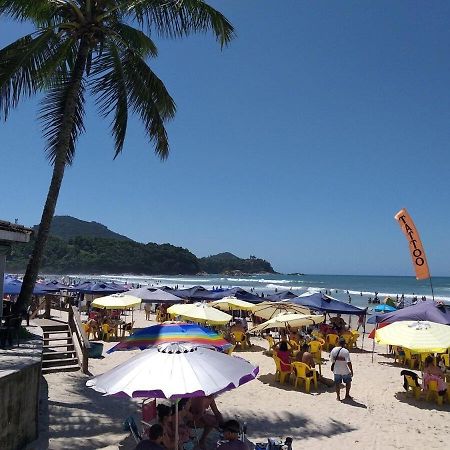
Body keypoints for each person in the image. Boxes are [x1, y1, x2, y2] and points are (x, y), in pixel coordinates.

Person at [330, 336, 353, 401]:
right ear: (344, 344)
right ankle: (347, 395)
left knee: (337, 384)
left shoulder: (333, 350)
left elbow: (332, 360)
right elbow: (348, 362)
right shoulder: (346, 351)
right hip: (345, 370)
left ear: (338, 343)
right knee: (348, 382)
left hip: (336, 370)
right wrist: (351, 370)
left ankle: (338, 397)